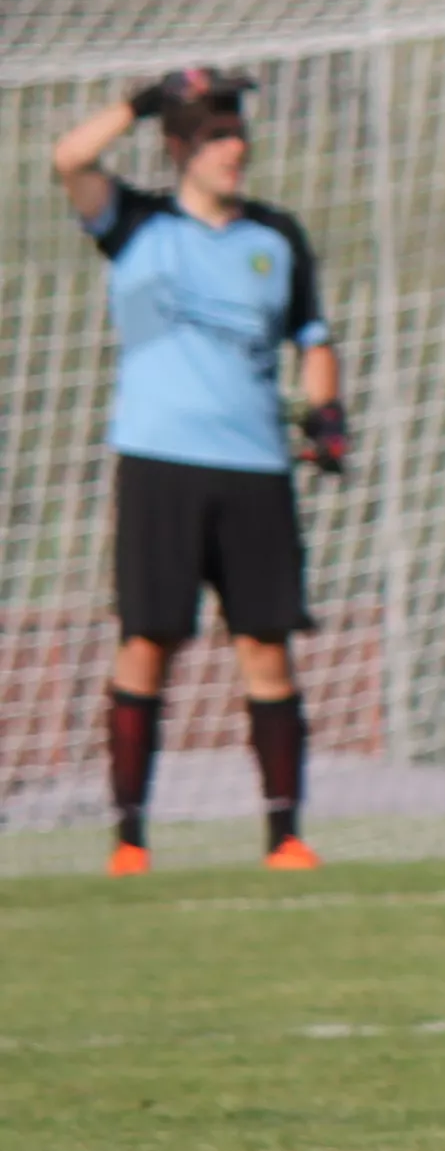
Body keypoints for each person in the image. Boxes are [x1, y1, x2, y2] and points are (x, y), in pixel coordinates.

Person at [53, 66, 349, 876]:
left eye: (237, 132)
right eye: (215, 134)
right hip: (160, 464)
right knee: (147, 641)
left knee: (266, 647)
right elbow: (69, 161)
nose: (234, 147)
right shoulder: (135, 223)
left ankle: (284, 835)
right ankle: (130, 841)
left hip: (252, 467)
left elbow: (313, 342)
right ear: (178, 146)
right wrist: (137, 104)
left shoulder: (274, 237)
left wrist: (326, 420)